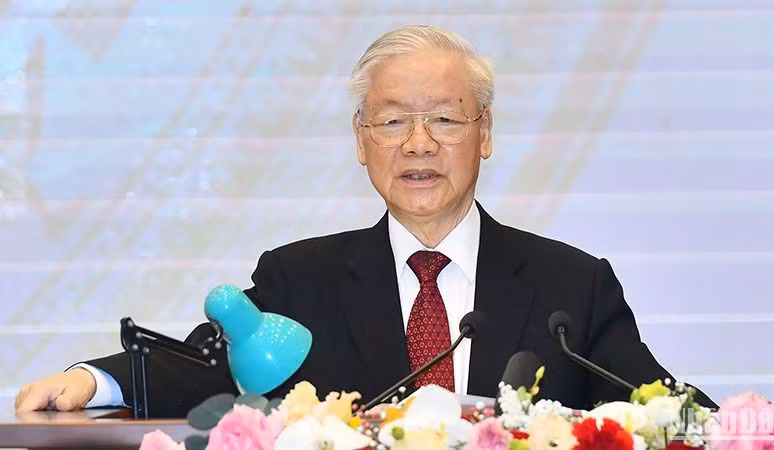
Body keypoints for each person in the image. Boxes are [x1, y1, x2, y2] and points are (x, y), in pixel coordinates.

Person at [15, 25, 714, 418]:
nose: (418, 144)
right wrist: (96, 381)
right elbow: (207, 368)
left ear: (485, 133)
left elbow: (662, 405)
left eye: (445, 120)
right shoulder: (300, 279)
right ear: (360, 140)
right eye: (392, 122)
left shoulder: (572, 286)